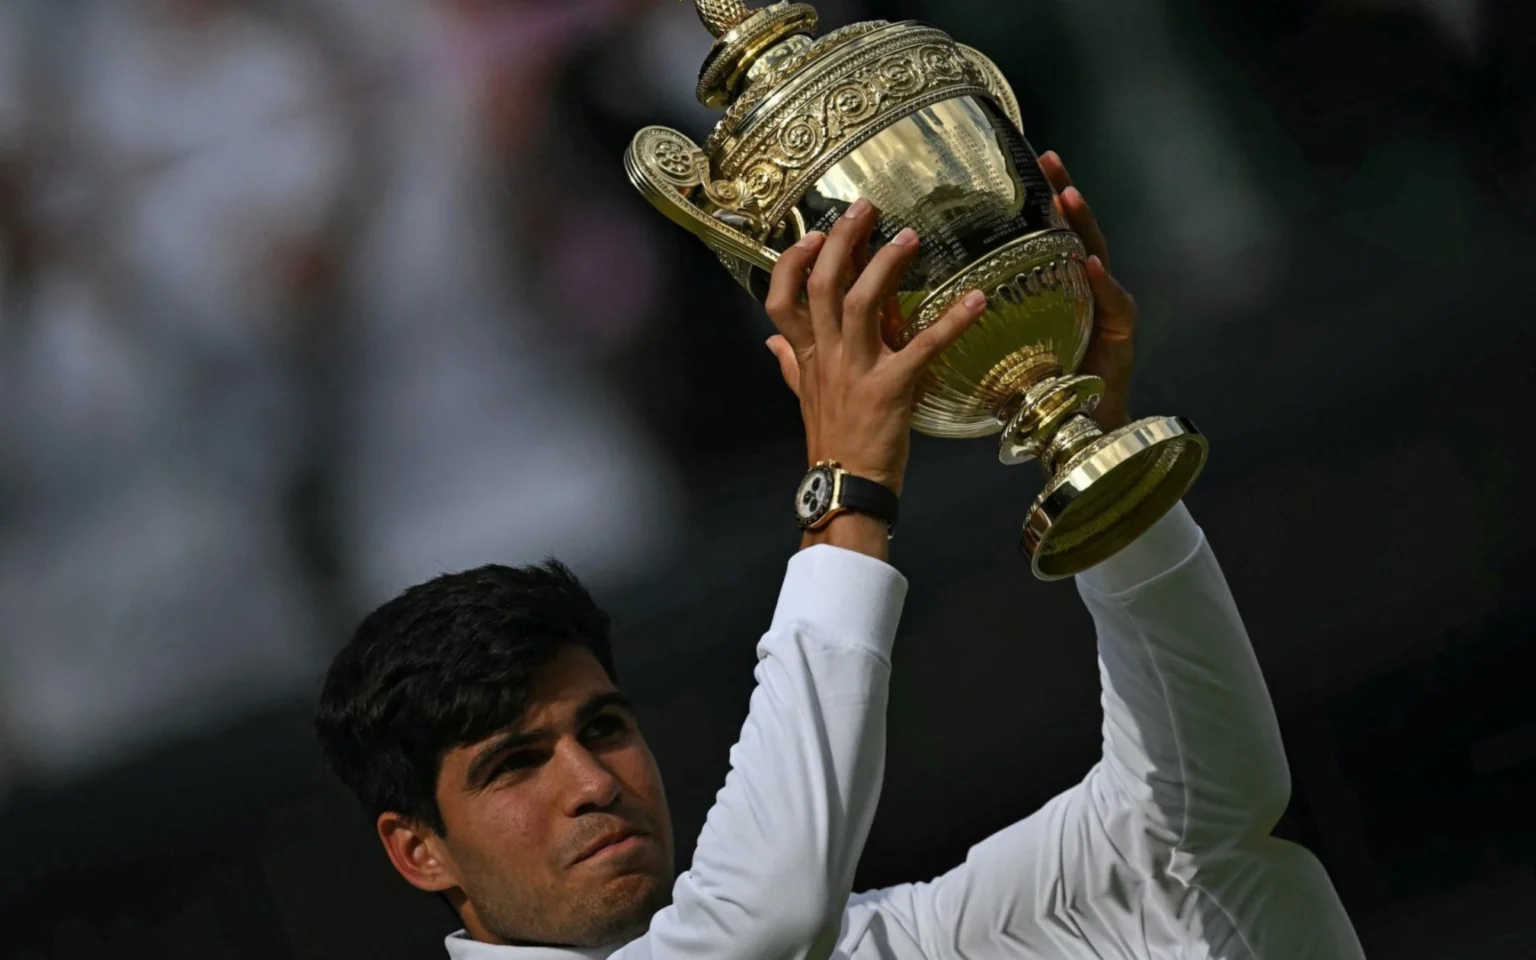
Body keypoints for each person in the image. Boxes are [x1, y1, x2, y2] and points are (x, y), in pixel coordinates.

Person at [315, 153, 1367, 958]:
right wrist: (847, 496)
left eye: (603, 727)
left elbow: (1199, 821)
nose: (592, 781)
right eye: (514, 765)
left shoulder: (841, 941)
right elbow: (760, 914)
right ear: (420, 850)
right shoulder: (767, 925)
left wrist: (1092, 460)